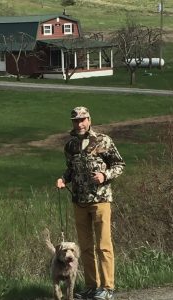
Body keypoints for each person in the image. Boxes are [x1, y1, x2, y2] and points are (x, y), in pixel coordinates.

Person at [56, 106, 125, 300]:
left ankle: (107, 288)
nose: (79, 124)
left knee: (103, 245)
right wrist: (63, 179)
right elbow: (70, 169)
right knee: (85, 247)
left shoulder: (103, 140)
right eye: (75, 121)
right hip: (79, 201)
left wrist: (105, 175)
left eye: (82, 119)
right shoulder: (70, 146)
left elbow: (119, 164)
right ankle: (91, 286)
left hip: (100, 200)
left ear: (89, 120)